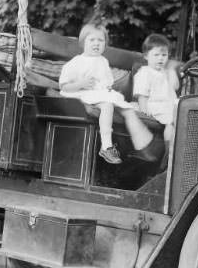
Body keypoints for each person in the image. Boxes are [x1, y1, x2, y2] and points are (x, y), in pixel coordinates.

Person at [59, 22, 160, 164]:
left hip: (99, 93)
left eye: (100, 40)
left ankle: (143, 143)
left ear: (105, 45)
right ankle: (106, 146)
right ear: (83, 43)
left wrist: (107, 89)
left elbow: (106, 82)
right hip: (81, 93)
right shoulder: (76, 62)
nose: (96, 44)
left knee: (128, 110)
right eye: (92, 40)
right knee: (107, 105)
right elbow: (64, 86)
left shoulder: (103, 61)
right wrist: (80, 84)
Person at [133, 33, 180, 146]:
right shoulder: (145, 72)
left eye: (164, 55)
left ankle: (178, 150)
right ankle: (169, 151)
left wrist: (172, 70)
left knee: (182, 117)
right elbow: (142, 94)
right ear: (146, 56)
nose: (160, 58)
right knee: (171, 122)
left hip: (169, 105)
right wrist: (144, 110)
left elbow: (175, 86)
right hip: (154, 106)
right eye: (156, 55)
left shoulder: (166, 72)